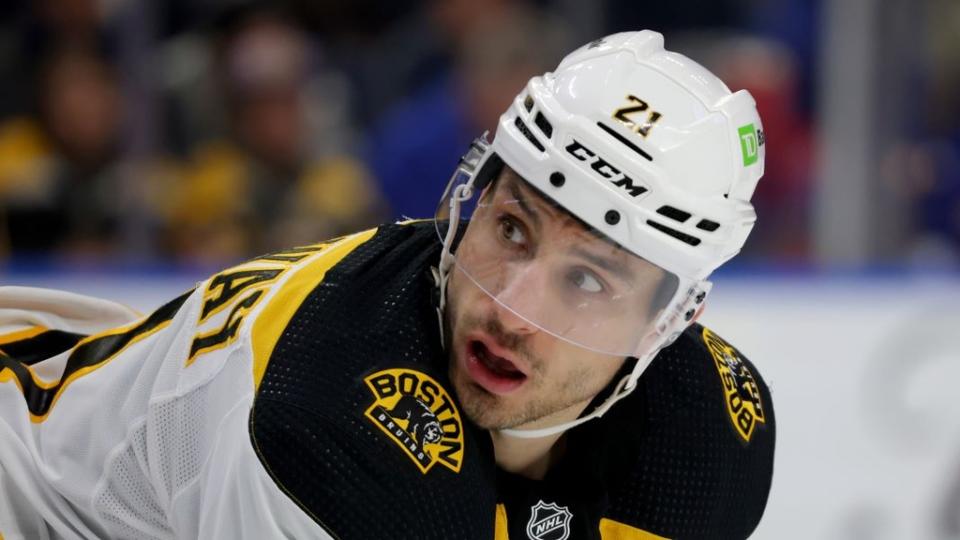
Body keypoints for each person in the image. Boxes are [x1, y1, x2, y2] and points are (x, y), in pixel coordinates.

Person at [0, 31, 774, 539]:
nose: (511, 309)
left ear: (666, 324)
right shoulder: (329, 416)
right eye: (511, 229)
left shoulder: (703, 442)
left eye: (586, 280)